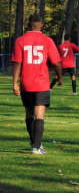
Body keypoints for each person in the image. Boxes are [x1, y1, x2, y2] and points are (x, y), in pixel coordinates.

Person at [12, 14, 63, 155]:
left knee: (29, 114)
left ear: (28, 25)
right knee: (39, 115)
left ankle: (34, 142)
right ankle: (36, 146)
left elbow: (17, 63)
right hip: (41, 83)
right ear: (41, 25)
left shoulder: (20, 40)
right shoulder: (47, 41)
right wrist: (59, 77)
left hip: (25, 83)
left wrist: (15, 83)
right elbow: (56, 63)